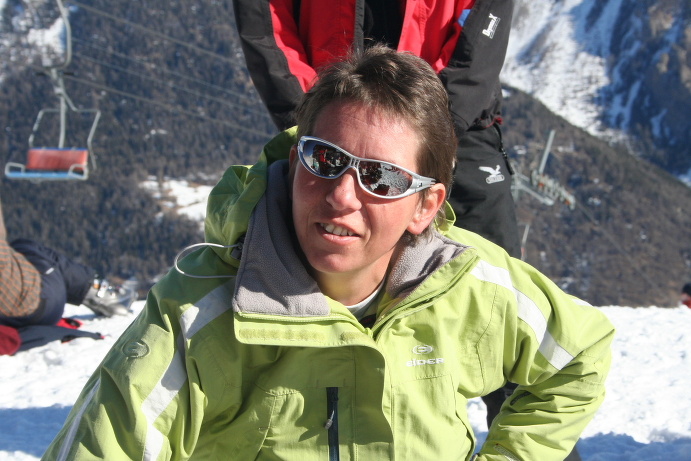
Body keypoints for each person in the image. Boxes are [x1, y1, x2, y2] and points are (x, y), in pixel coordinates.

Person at [43, 47, 613, 461]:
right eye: (325, 159)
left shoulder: (469, 285)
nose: (341, 195)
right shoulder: (201, 316)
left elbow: (580, 355)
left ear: (425, 206)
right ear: (295, 163)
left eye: (381, 178)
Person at [232, 0, 526, 440]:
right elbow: (266, 25)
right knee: (299, 301)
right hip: (336, 132)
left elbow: (481, 33)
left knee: (502, 309)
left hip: (459, 128)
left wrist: (426, 132)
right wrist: (321, 121)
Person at [0, 196, 134, 355]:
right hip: (40, 304)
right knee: (27, 247)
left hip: (13, 313)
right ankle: (96, 290)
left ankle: (94, 289)